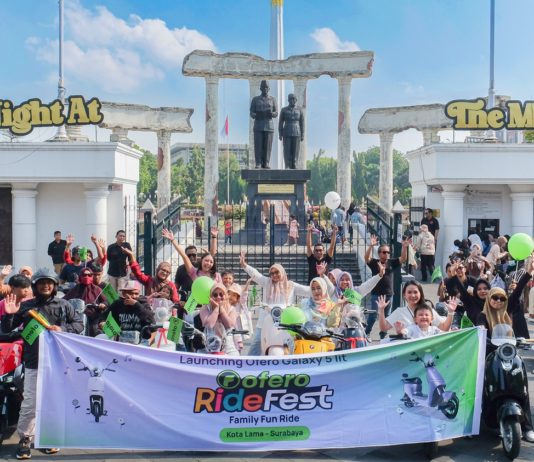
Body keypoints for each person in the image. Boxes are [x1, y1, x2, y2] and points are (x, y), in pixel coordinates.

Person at [1, 268, 83, 459]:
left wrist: (62, 329)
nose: (45, 286)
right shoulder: (26, 305)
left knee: (53, 401)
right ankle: (25, 439)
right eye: (41, 283)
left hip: (58, 362)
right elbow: (6, 329)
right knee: (30, 403)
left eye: (49, 283)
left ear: (55, 285)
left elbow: (79, 324)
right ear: (35, 286)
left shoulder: (64, 304)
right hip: (33, 361)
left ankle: (48, 437)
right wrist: (9, 314)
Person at [476, 287, 534, 442]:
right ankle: (474, 422)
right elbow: (480, 330)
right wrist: (482, 335)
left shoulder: (507, 315)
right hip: (489, 355)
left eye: (502, 298)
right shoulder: (482, 315)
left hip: (509, 355)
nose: (498, 301)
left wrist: (520, 340)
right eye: (495, 297)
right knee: (480, 385)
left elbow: (513, 335)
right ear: (489, 299)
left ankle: (527, 426)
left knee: (522, 385)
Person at [239, 251, 315, 355]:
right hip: (265, 321)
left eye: (277, 272)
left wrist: (321, 284)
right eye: (272, 273)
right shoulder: (267, 282)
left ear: (282, 272)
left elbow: (308, 291)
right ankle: (250, 363)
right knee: (256, 344)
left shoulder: (291, 285)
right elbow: (255, 275)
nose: (274, 275)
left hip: (285, 322)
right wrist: (244, 265)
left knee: (288, 346)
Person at [364, 234, 408, 337]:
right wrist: (371, 246)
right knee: (373, 315)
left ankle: (383, 335)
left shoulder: (392, 262)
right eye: (384, 252)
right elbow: (366, 258)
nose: (386, 254)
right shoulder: (375, 263)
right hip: (376, 294)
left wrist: (404, 247)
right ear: (379, 253)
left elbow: (403, 258)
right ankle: (367, 333)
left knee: (387, 316)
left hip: (388, 294)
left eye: (388, 252)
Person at [377, 280, 457, 334]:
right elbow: (384, 327)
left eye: (415, 292)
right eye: (409, 292)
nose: (413, 295)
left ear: (420, 294)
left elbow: (444, 328)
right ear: (404, 295)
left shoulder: (428, 311)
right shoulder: (399, 312)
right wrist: (381, 310)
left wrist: (451, 312)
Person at [64, 268, 108, 337]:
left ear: (92, 276)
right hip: (77, 317)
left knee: (95, 331)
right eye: (84, 275)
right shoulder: (75, 289)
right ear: (80, 276)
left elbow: (106, 300)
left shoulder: (96, 289)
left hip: (93, 317)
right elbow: (64, 299)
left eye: (89, 275)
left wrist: (103, 304)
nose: (86, 277)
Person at [199, 284, 238, 355]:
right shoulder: (205, 308)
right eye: (215, 295)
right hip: (209, 345)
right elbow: (209, 325)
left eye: (221, 294)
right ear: (211, 296)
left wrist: (221, 309)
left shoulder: (232, 309)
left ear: (226, 295)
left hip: (227, 346)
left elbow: (229, 326)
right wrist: (216, 308)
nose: (218, 297)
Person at [250, 80, 278, 169]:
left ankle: (266, 163)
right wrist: (255, 114)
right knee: (258, 145)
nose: (265, 89)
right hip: (258, 125)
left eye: (266, 87)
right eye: (263, 87)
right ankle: (258, 163)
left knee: (267, 146)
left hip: (269, 125)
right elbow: (251, 112)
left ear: (269, 89)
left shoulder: (273, 99)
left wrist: (272, 114)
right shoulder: (255, 99)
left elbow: (276, 112)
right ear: (260, 88)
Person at [278, 93, 304, 169]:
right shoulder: (284, 110)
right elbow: (280, 122)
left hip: (297, 132)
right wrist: (280, 134)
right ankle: (287, 164)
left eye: (294, 99)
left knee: (296, 150)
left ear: (296, 100)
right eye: (291, 99)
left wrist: (302, 134)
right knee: (287, 149)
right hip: (287, 132)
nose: (293, 100)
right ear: (288, 100)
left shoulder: (300, 110)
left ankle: (294, 164)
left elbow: (302, 123)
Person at [227, 282, 253, 353]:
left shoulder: (239, 304)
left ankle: (238, 352)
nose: (230, 297)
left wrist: (246, 286)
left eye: (234, 295)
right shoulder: (226, 304)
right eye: (229, 294)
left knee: (237, 346)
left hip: (237, 328)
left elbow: (244, 297)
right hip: (229, 328)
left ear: (238, 297)